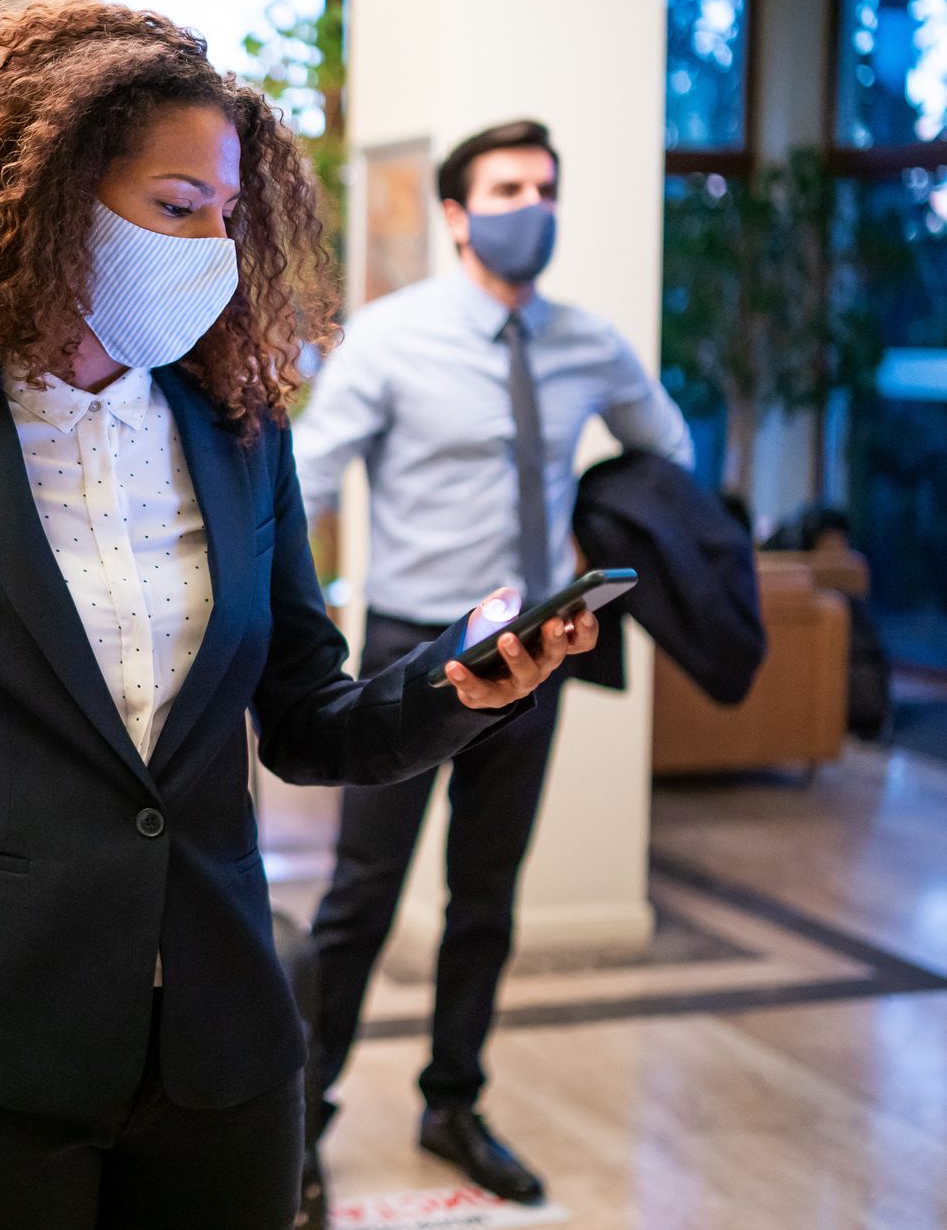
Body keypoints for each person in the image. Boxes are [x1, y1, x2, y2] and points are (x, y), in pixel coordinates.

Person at [0, 0, 596, 1230]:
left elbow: (308, 718)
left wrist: (451, 688)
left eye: (225, 212)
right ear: (53, 204)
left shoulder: (243, 438)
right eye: (177, 206)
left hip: (220, 1052)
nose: (213, 241)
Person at [293, 120, 693, 1209]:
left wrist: (602, 523)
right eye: (509, 186)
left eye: (547, 186)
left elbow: (669, 447)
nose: (533, 205)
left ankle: (453, 1100)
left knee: (487, 896)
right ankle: (301, 1117)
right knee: (361, 897)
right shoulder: (391, 337)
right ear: (459, 213)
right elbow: (307, 479)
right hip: (409, 653)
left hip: (535, 651)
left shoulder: (587, 342)